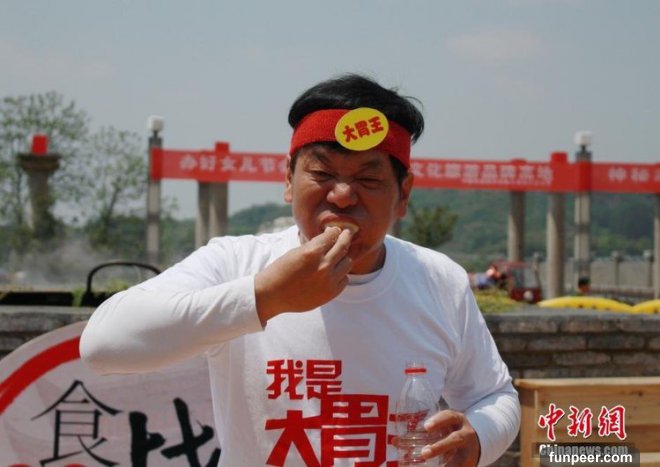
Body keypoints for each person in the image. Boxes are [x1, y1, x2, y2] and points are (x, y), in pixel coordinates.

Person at [80, 74, 520, 466]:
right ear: (289, 181)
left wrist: (479, 437)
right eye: (322, 174)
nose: (343, 195)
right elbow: (104, 344)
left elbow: (494, 394)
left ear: (403, 194)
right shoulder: (237, 263)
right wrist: (265, 297)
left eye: (368, 180)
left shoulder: (438, 279)